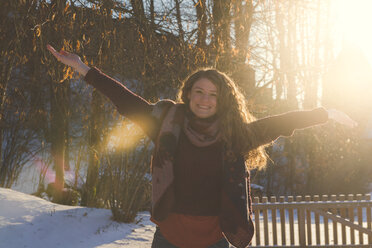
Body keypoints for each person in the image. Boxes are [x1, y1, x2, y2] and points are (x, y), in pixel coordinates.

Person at [47, 44, 357, 248]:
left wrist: (325, 113)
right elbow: (126, 101)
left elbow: (279, 122)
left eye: (212, 94)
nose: (204, 99)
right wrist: (83, 68)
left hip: (216, 236)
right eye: (199, 92)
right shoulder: (166, 125)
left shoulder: (235, 134)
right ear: (188, 94)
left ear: (222, 100)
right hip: (169, 235)